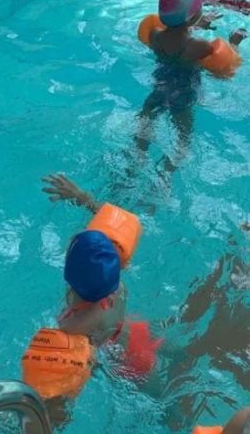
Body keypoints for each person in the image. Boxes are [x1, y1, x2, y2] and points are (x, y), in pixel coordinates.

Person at [21, 174, 161, 424]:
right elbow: (117, 233)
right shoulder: (115, 282)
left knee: (164, 409)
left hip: (128, 366)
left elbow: (60, 410)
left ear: (68, 275)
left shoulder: (72, 329)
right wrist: (83, 198)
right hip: (139, 332)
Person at [135, 0, 246, 174]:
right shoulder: (199, 46)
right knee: (183, 139)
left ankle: (137, 158)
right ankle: (165, 175)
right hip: (183, 96)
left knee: (145, 126)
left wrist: (195, 24)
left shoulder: (155, 35)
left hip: (158, 90)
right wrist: (234, 43)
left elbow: (176, 35)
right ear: (193, 16)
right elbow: (226, 65)